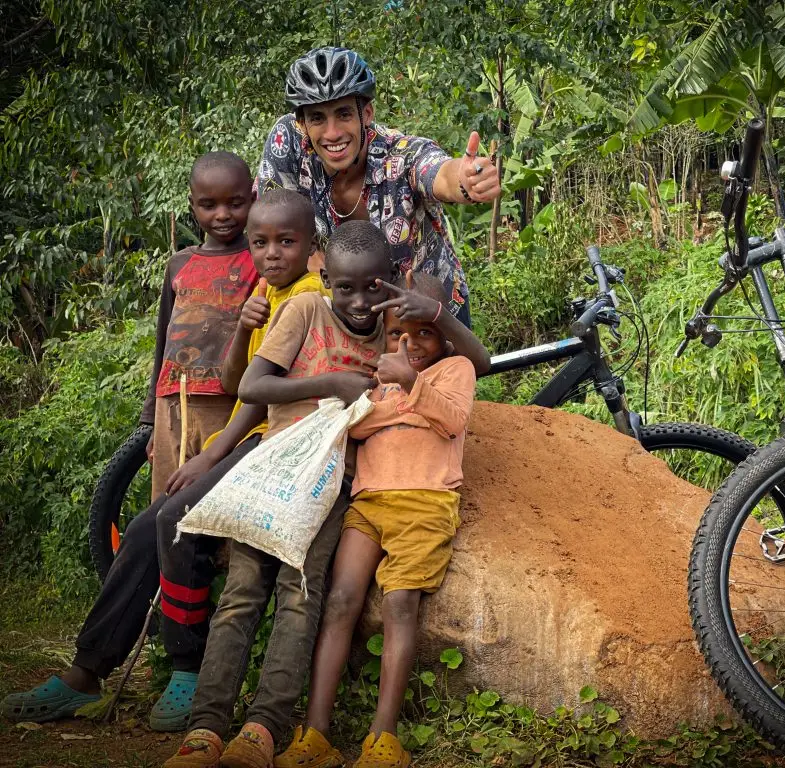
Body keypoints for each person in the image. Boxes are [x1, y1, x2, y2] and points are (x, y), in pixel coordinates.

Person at [0, 183, 323, 732]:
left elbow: (257, 398)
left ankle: (185, 666)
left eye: (284, 242)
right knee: (150, 523)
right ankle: (88, 670)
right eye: (261, 242)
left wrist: (212, 452)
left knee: (175, 517)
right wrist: (243, 330)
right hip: (254, 433)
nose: (270, 253)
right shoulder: (268, 295)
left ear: (310, 245)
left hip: (283, 443)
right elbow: (241, 380)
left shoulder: (305, 298)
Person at [161, 222, 486, 768]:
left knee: (300, 596)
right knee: (243, 591)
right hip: (274, 471)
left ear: (392, 284)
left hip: (331, 486)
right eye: (346, 288)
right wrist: (329, 387)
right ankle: (205, 731)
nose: (360, 303)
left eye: (373, 289)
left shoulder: (393, 340)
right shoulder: (309, 310)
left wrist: (417, 339)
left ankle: (263, 732)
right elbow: (252, 387)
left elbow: (464, 369)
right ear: (325, 278)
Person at [275, 273, 476, 768]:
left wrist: (407, 388)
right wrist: (407, 406)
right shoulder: (376, 376)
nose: (409, 345)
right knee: (341, 599)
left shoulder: (456, 370)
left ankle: (383, 736)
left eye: (423, 333)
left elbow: (452, 419)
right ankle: (316, 733)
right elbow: (357, 424)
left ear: (443, 334)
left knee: (400, 603)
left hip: (426, 503)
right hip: (368, 502)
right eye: (396, 335)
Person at [258, 46, 501, 327]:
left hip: (427, 311)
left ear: (367, 113)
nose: (332, 132)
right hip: (346, 316)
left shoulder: (399, 155)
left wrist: (466, 180)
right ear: (302, 124)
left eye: (344, 114)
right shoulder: (288, 143)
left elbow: (436, 170)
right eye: (317, 118)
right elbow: (274, 226)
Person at [142, 151, 261, 501]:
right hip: (172, 408)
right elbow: (164, 341)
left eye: (235, 203)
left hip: (228, 408)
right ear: (192, 205)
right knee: (167, 506)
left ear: (252, 199)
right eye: (209, 205)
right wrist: (151, 420)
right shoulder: (179, 264)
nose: (222, 215)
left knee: (221, 507)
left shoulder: (260, 261)